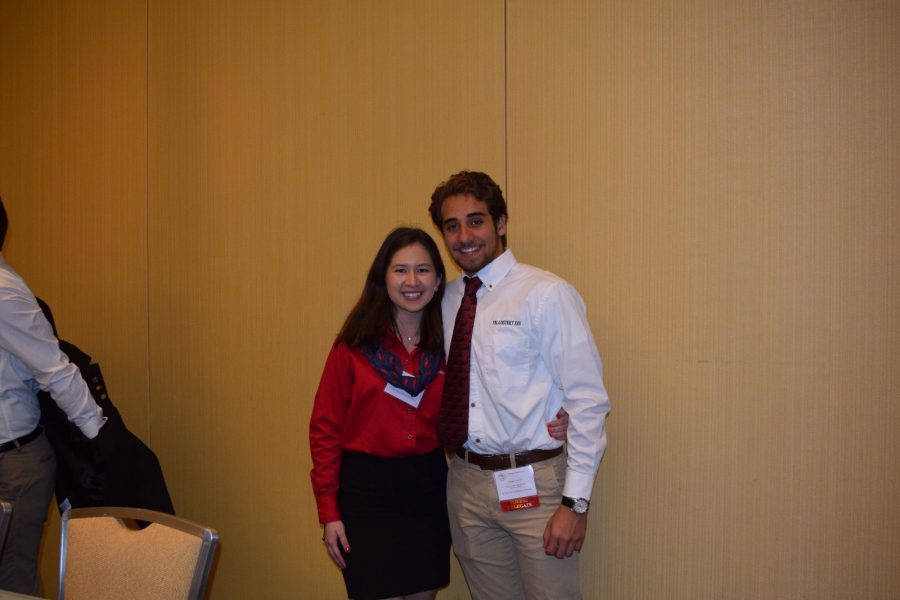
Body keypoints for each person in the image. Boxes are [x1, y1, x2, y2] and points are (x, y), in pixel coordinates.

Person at [309, 227, 569, 600]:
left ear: (437, 281)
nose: (412, 281)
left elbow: (501, 384)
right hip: (366, 494)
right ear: (383, 278)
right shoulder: (353, 346)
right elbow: (324, 429)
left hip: (427, 489)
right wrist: (329, 511)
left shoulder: (451, 342)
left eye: (423, 270)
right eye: (400, 270)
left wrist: (563, 411)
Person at [428, 171, 611, 600]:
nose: (464, 236)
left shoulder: (545, 294)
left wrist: (575, 503)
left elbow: (587, 399)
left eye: (476, 221)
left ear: (501, 223)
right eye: (451, 226)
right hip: (467, 483)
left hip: (537, 485)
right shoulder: (446, 300)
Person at [0, 196, 106, 595]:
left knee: (11, 582)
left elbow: (55, 370)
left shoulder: (3, 292)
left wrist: (102, 444)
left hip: (14, 464)